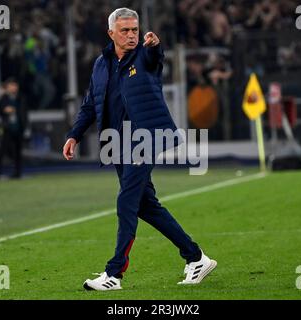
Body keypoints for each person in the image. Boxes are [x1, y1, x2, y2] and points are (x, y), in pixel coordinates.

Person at [62, 8, 216, 291]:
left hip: (144, 140)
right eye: (125, 30)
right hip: (116, 143)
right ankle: (196, 257)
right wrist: (74, 135)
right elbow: (89, 105)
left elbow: (156, 57)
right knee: (146, 206)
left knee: (126, 203)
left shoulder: (145, 56)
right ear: (111, 33)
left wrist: (155, 45)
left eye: (134, 30)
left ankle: (114, 273)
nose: (132, 35)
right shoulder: (101, 64)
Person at [0, 78, 27, 180]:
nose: (14, 87)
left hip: (18, 128)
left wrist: (25, 127)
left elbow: (24, 114)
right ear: (7, 87)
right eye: (11, 85)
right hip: (7, 128)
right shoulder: (3, 98)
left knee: (18, 152)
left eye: (15, 85)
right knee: (2, 151)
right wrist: (4, 110)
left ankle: (17, 173)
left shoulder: (21, 97)